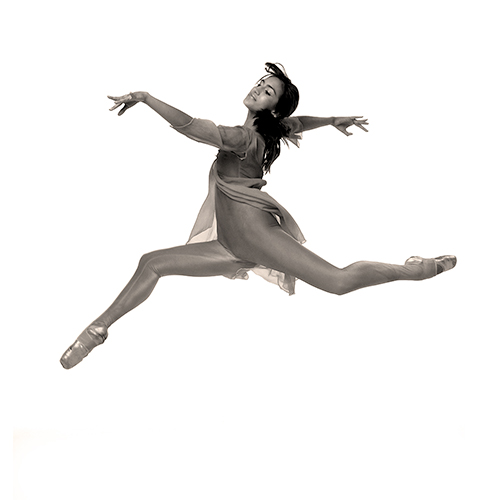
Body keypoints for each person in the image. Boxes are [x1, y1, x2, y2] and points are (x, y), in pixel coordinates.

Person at [60, 63, 456, 369]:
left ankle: (420, 269)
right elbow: (299, 123)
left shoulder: (244, 137)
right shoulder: (270, 130)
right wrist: (332, 120)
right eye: (260, 83)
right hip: (232, 245)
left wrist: (148, 98)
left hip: (259, 236)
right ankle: (98, 329)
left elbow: (191, 127)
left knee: (337, 281)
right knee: (151, 263)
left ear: (272, 106)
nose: (258, 90)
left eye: (268, 91)